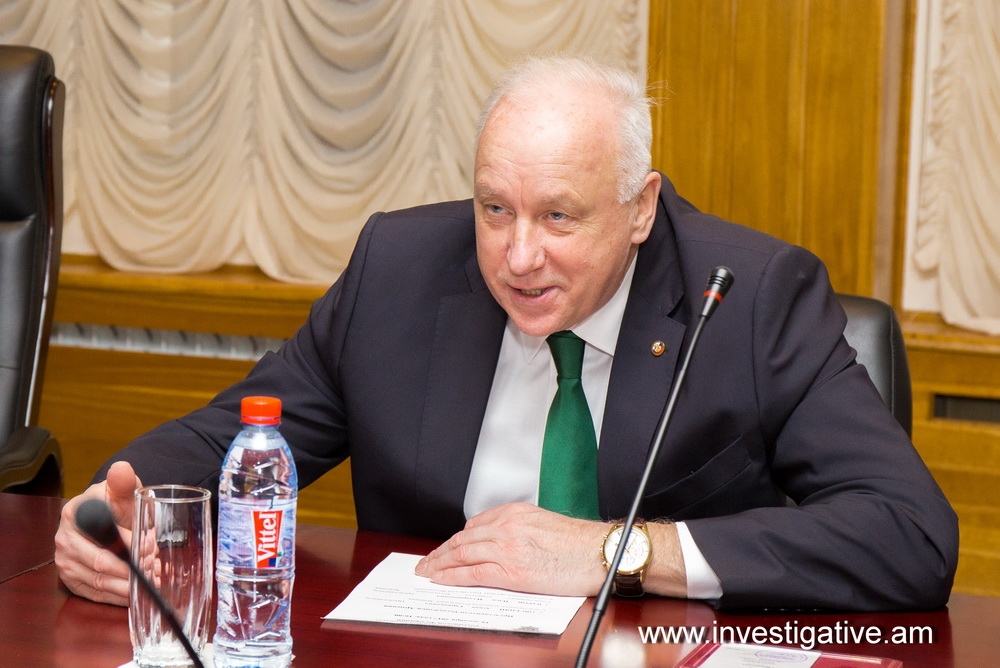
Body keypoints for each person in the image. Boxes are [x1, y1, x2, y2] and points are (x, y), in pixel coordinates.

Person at [55, 55, 958, 612]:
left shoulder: (750, 299)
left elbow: (909, 535)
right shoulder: (400, 270)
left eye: (559, 216)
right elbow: (237, 435)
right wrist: (118, 510)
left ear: (640, 208)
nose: (518, 257)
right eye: (495, 208)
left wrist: (618, 552)